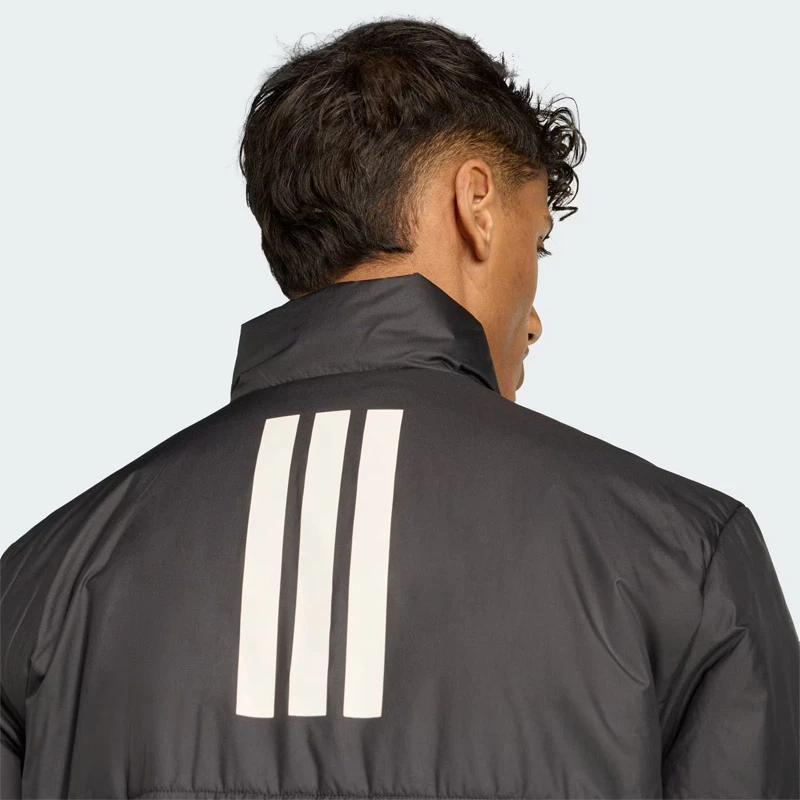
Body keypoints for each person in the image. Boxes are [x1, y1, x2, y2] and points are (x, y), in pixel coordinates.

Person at [2, 15, 798, 799]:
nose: (534, 320)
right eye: (537, 241)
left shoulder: (43, 586)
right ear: (477, 204)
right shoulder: (684, 559)